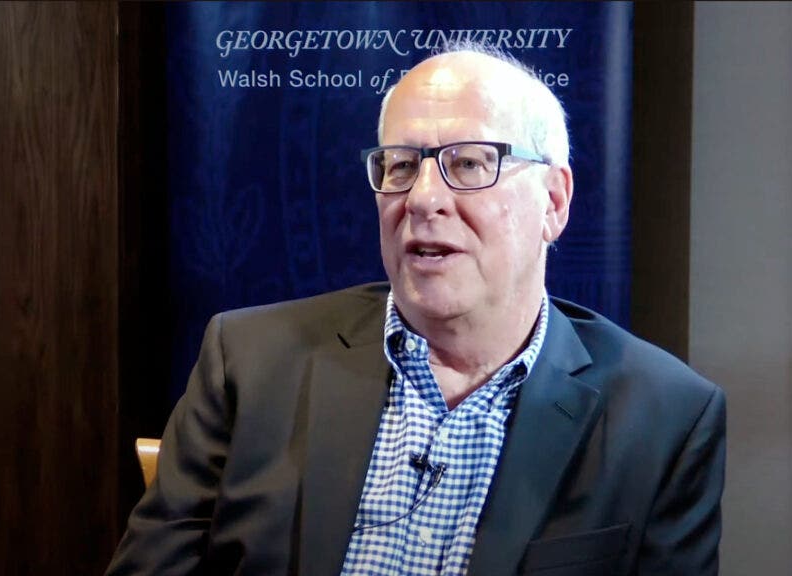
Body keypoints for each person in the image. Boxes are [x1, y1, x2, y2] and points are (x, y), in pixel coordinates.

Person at [107, 45, 726, 576]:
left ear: (554, 202)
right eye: (401, 166)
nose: (424, 198)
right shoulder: (247, 361)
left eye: (469, 163)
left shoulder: (665, 418)